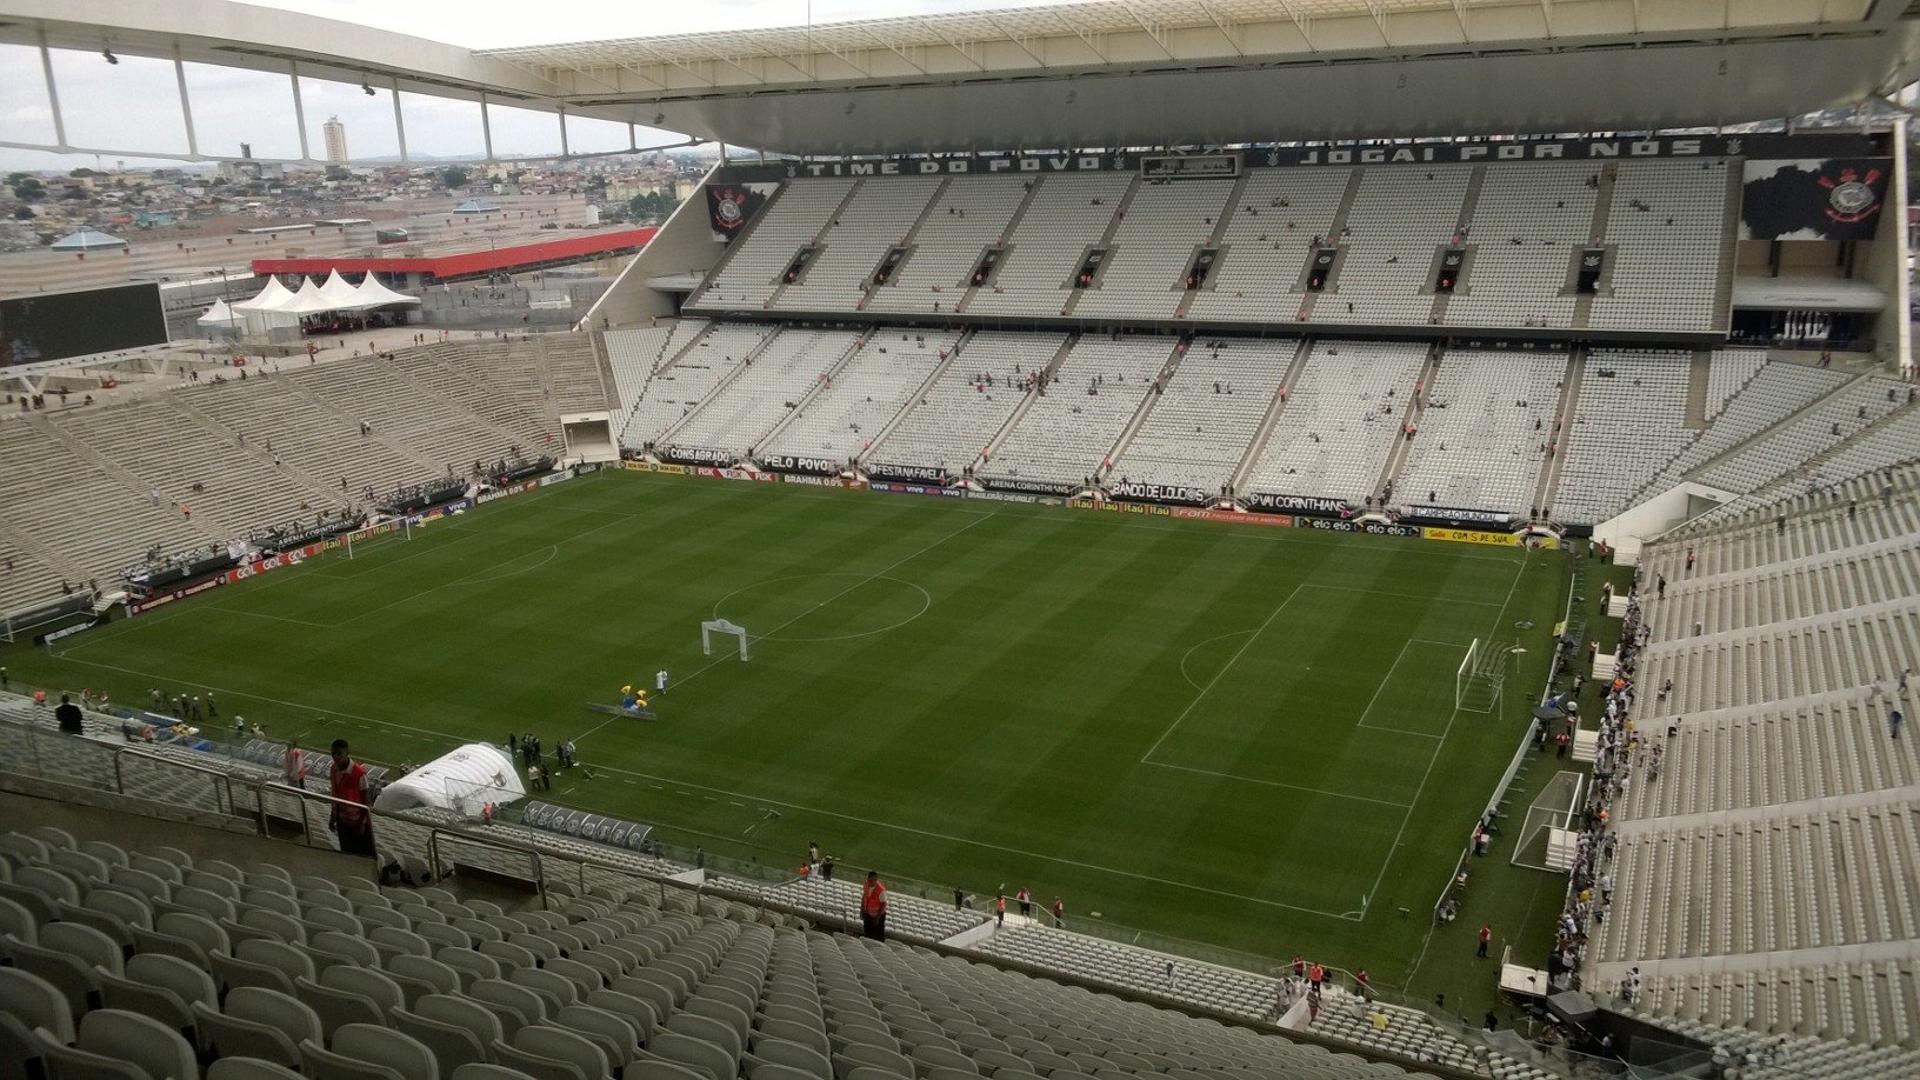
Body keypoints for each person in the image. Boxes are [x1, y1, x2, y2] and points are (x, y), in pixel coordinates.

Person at [328, 739, 375, 856]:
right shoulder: (333, 769)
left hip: (358, 823)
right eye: (333, 753)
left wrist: (361, 824)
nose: (335, 756)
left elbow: (366, 801)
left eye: (339, 753)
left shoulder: (359, 773)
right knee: (346, 852)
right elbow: (335, 795)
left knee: (363, 855)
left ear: (347, 753)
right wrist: (333, 817)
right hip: (342, 820)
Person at [861, 871, 888, 941]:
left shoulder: (881, 890)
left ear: (876, 880)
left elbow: (883, 905)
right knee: (867, 933)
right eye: (868, 880)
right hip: (868, 913)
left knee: (878, 936)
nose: (869, 882)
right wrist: (862, 910)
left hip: (878, 916)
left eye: (871, 881)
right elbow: (864, 896)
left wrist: (877, 918)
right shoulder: (866, 884)